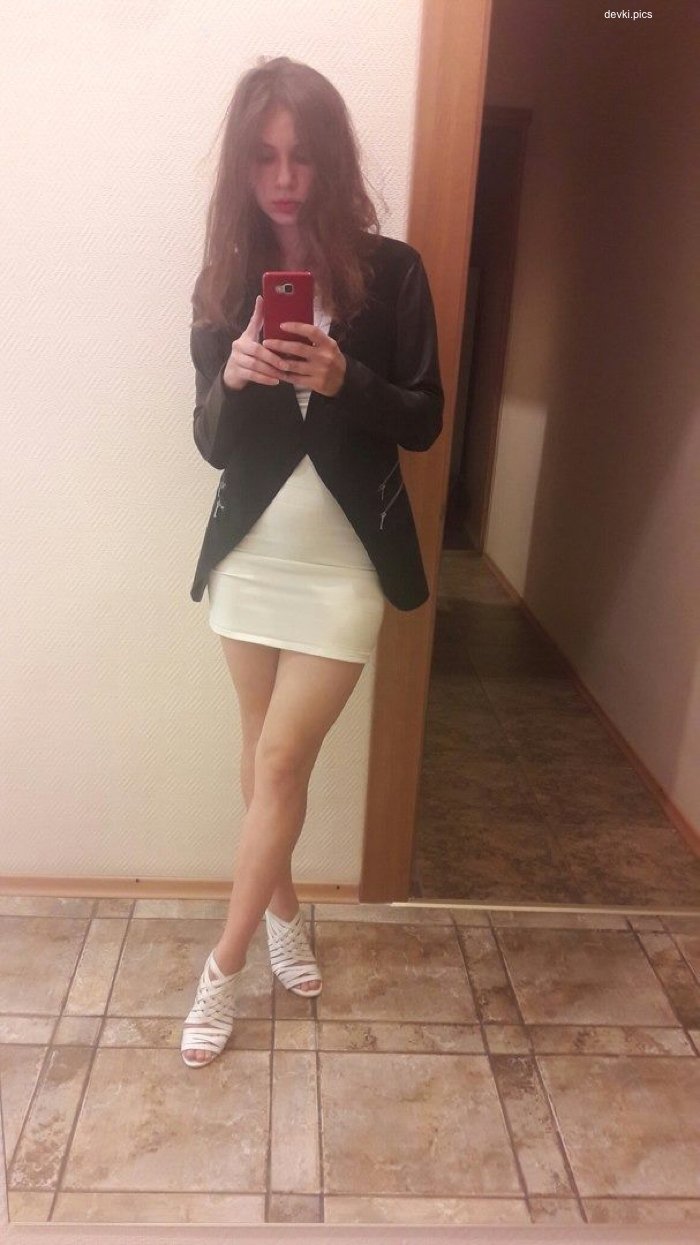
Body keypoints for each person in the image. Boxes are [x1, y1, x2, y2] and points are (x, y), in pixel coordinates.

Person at [181, 55, 444, 1067]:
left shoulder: (395, 273)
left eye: (301, 156)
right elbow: (210, 441)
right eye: (263, 157)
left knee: (282, 761)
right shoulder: (224, 284)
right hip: (249, 556)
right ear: (242, 168)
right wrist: (238, 374)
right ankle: (284, 918)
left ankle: (222, 967)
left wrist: (345, 378)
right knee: (263, 756)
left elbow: (423, 419)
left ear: (331, 159)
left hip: (343, 566)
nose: (284, 178)